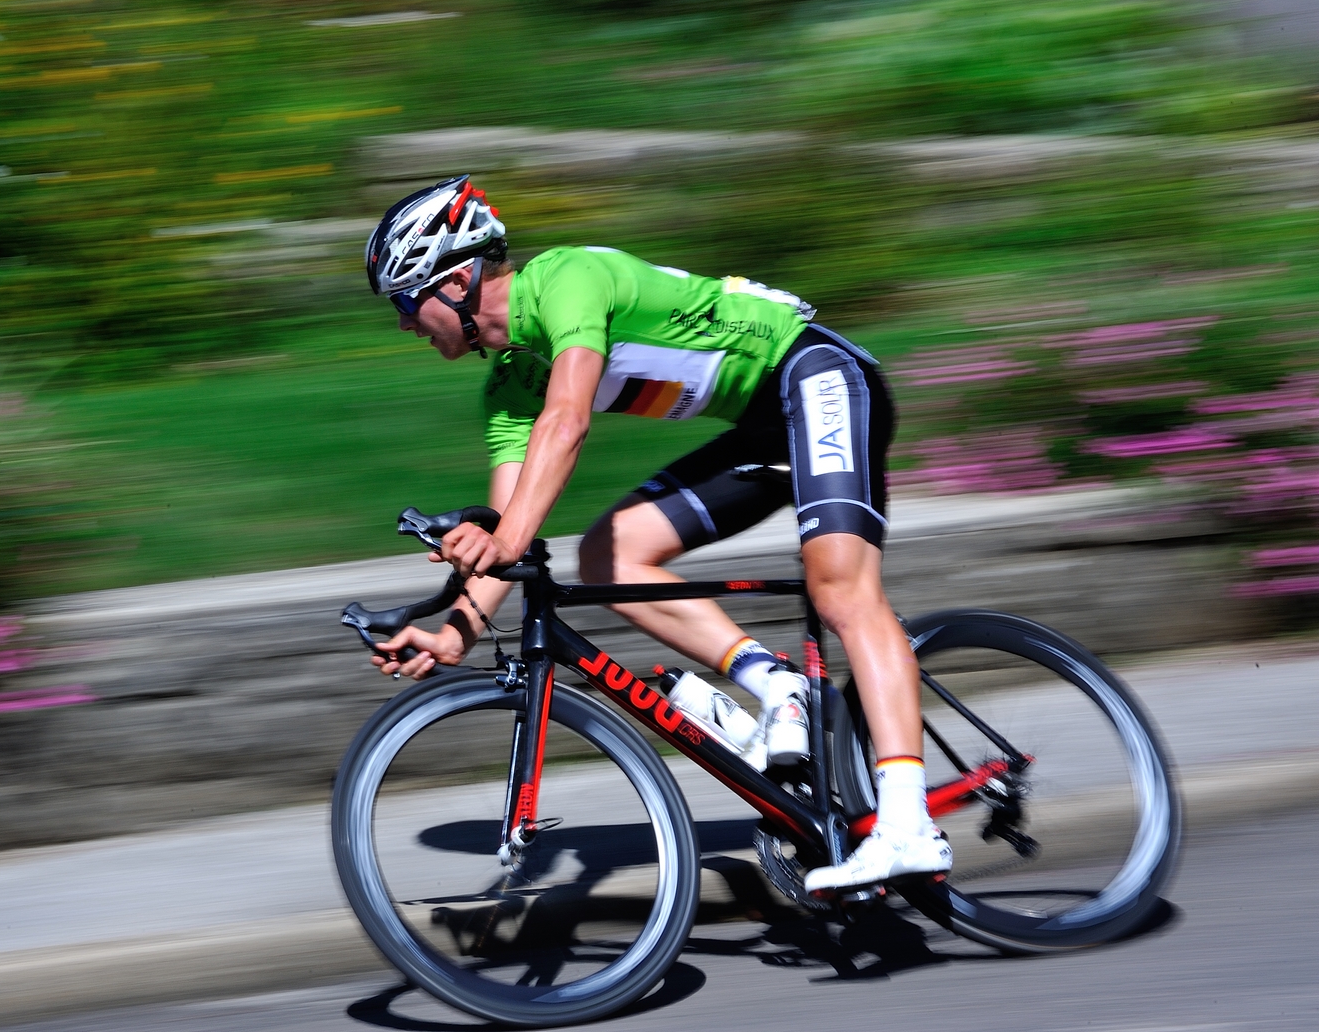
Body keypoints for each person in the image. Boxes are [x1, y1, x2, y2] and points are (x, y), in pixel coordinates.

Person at [363, 175, 950, 893]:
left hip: (817, 374)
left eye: (403, 300)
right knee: (607, 553)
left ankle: (905, 824)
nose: (401, 324)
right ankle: (777, 684)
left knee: (841, 590)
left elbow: (568, 421)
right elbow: (506, 527)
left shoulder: (564, 280)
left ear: (455, 281)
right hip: (763, 428)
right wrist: (455, 630)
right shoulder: (509, 387)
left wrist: (508, 535)